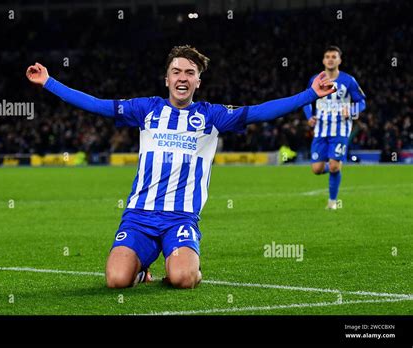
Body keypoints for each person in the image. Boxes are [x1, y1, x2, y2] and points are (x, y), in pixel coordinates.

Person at [26, 45, 335, 289]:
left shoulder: (212, 115)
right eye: (177, 72)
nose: (182, 77)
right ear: (167, 79)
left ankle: (185, 264)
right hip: (139, 216)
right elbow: (97, 104)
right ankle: (141, 268)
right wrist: (49, 82)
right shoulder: (146, 109)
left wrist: (310, 95)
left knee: (183, 279)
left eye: (190, 72)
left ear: (198, 81)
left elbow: (259, 112)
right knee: (115, 281)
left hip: (181, 217)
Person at [303, 46, 366, 209]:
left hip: (341, 128)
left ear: (340, 60)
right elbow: (305, 101)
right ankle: (334, 165)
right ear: (323, 60)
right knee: (316, 169)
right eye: (327, 56)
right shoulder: (315, 80)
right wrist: (310, 117)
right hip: (321, 128)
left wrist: (351, 110)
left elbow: (362, 102)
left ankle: (332, 202)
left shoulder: (348, 80)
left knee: (333, 166)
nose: (330, 59)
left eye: (334, 56)